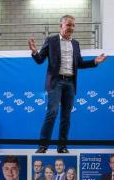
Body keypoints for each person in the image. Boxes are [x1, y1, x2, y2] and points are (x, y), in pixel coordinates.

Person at [28, 15, 107, 153]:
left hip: (70, 83)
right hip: (56, 82)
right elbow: (40, 60)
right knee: (52, 112)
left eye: (73, 25)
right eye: (68, 25)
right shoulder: (51, 40)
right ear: (61, 26)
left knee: (66, 116)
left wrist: (94, 61)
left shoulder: (75, 44)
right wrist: (35, 52)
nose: (71, 28)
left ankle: (62, 146)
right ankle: (43, 146)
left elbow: (80, 63)